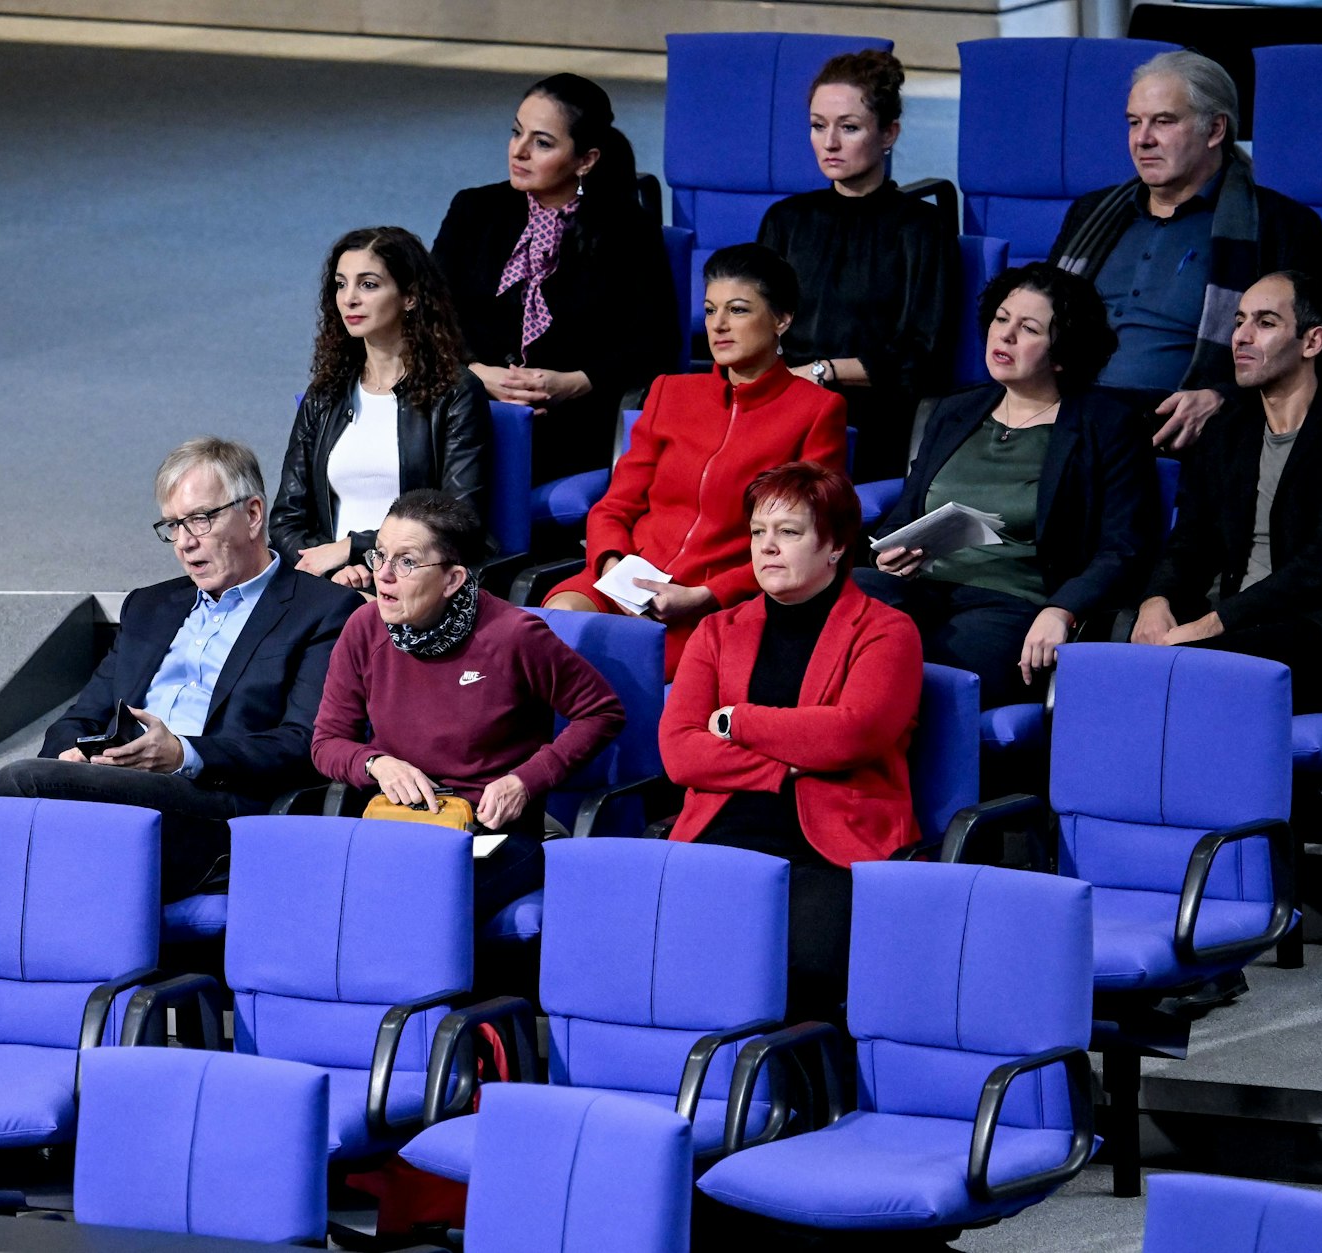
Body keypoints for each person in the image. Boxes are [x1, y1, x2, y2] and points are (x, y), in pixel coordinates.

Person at [0, 438, 361, 898]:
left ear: (253, 514)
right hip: (116, 787)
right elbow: (78, 720)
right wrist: (73, 755)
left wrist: (184, 755)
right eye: (173, 525)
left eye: (200, 519)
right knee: (17, 796)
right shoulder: (149, 607)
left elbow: (303, 743)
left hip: (215, 808)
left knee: (17, 785)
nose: (185, 542)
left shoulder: (322, 610)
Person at [660, 463, 922, 1020]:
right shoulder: (717, 630)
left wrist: (737, 722)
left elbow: (853, 732)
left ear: (834, 546)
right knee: (670, 957)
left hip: (833, 847)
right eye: (758, 532)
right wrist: (786, 767)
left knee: (800, 970)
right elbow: (681, 752)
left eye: (789, 532)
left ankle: (796, 1099)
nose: (768, 548)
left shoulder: (885, 630)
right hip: (722, 832)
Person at [311, 489, 624, 921]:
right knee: (320, 895)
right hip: (399, 825)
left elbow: (602, 712)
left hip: (493, 829)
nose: (383, 575)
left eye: (406, 562)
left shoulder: (515, 636)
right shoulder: (364, 628)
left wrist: (526, 780)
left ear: (452, 580)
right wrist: (375, 763)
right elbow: (327, 742)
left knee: (420, 906)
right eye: (379, 555)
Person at [860, 263, 1159, 706]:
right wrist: (888, 552)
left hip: (1013, 602)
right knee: (834, 612)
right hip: (920, 589)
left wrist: (1062, 608)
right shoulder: (954, 411)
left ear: (1062, 353)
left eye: (1029, 328)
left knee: (922, 675)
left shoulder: (1107, 426)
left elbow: (1124, 547)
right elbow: (907, 511)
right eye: (1001, 320)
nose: (1005, 335)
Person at [542, 244, 847, 677]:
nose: (718, 326)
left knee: (607, 667)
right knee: (555, 627)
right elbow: (615, 506)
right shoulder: (670, 392)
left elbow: (807, 540)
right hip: (626, 579)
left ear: (782, 319)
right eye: (709, 310)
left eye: (738, 310)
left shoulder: (816, 410)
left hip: (716, 602)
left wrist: (706, 594)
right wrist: (614, 569)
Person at [1133, 271, 1322, 713]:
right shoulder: (1225, 433)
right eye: (1239, 321)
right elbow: (1190, 541)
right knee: (1114, 656)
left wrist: (1215, 623)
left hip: (1321, 635)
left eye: (1266, 322)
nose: (1241, 336)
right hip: (1241, 625)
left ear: (1311, 342)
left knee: (1192, 673)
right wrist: (1156, 602)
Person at [1049, 50, 1322, 454]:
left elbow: (1316, 354)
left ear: (1215, 129)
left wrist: (1223, 398)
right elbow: (1037, 312)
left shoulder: (1281, 225)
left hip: (1171, 426)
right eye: (1134, 122)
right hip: (1060, 408)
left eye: (1164, 121)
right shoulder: (1090, 213)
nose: (1143, 139)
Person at [432, 73, 680, 483]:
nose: (520, 151)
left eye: (542, 143)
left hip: (570, 421)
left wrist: (575, 383)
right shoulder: (474, 210)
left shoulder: (626, 231)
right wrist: (476, 373)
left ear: (585, 160)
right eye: (516, 133)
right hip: (467, 404)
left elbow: (655, 343)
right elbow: (428, 314)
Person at [756, 48, 955, 482]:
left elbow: (922, 358)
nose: (829, 143)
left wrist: (821, 372)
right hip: (782, 401)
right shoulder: (786, 220)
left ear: (888, 134)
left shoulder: (921, 227)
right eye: (817, 126)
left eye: (849, 128)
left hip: (870, 414)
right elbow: (756, 322)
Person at [271, 226, 492, 589]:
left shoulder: (455, 391)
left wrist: (353, 549)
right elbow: (285, 519)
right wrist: (329, 565)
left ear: (409, 297)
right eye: (341, 284)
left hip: (412, 580)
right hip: (330, 579)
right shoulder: (325, 394)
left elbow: (458, 518)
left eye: (368, 284)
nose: (349, 299)